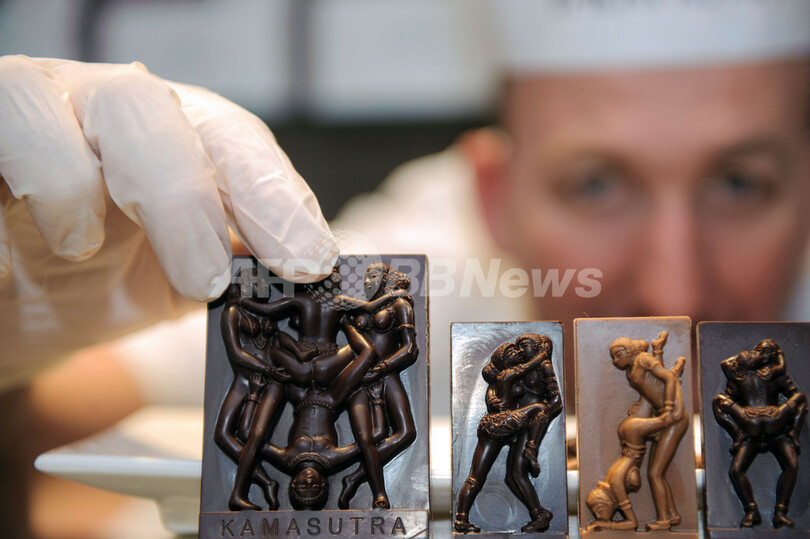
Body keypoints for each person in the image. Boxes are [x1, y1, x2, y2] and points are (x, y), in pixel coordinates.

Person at [454, 335, 556, 534]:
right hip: (502, 424)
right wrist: (542, 355)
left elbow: (497, 391)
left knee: (480, 477)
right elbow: (523, 369)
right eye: (512, 352)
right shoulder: (507, 374)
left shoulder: (498, 381)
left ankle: (461, 518)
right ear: (505, 361)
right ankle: (531, 449)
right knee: (540, 408)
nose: (518, 352)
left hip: (499, 427)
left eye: (520, 348)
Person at [338, 262, 419, 509]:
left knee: (406, 432)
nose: (367, 281)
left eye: (373, 275)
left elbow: (409, 349)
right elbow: (341, 303)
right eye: (365, 276)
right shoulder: (356, 305)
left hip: (386, 372)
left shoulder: (400, 305)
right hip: (358, 376)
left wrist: (382, 368)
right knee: (367, 437)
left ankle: (355, 476)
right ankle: (379, 494)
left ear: (386, 278)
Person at [713, 339, 807, 528]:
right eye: (759, 351)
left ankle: (780, 512)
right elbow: (729, 394)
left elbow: (795, 395)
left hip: (776, 430)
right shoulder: (740, 376)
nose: (763, 355)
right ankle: (751, 510)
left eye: (768, 352)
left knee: (792, 465)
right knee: (736, 471)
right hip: (752, 431)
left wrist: (793, 431)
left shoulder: (776, 375)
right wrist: (736, 430)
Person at [585, 359, 684, 532]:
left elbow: (632, 523)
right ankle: (672, 514)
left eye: (598, 510)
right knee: (649, 398)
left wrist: (606, 524)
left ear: (605, 502)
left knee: (669, 419)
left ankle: (674, 378)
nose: (599, 515)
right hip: (631, 438)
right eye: (597, 513)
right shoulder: (611, 481)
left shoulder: (616, 484)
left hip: (633, 434)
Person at [607, 332, 688, 530]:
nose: (616, 361)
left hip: (673, 418)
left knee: (655, 473)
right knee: (657, 471)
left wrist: (669, 408)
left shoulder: (642, 359)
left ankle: (663, 521)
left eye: (618, 355)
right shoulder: (631, 368)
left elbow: (669, 380)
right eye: (613, 357)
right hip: (661, 415)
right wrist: (642, 403)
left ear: (629, 351)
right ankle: (672, 514)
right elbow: (652, 385)